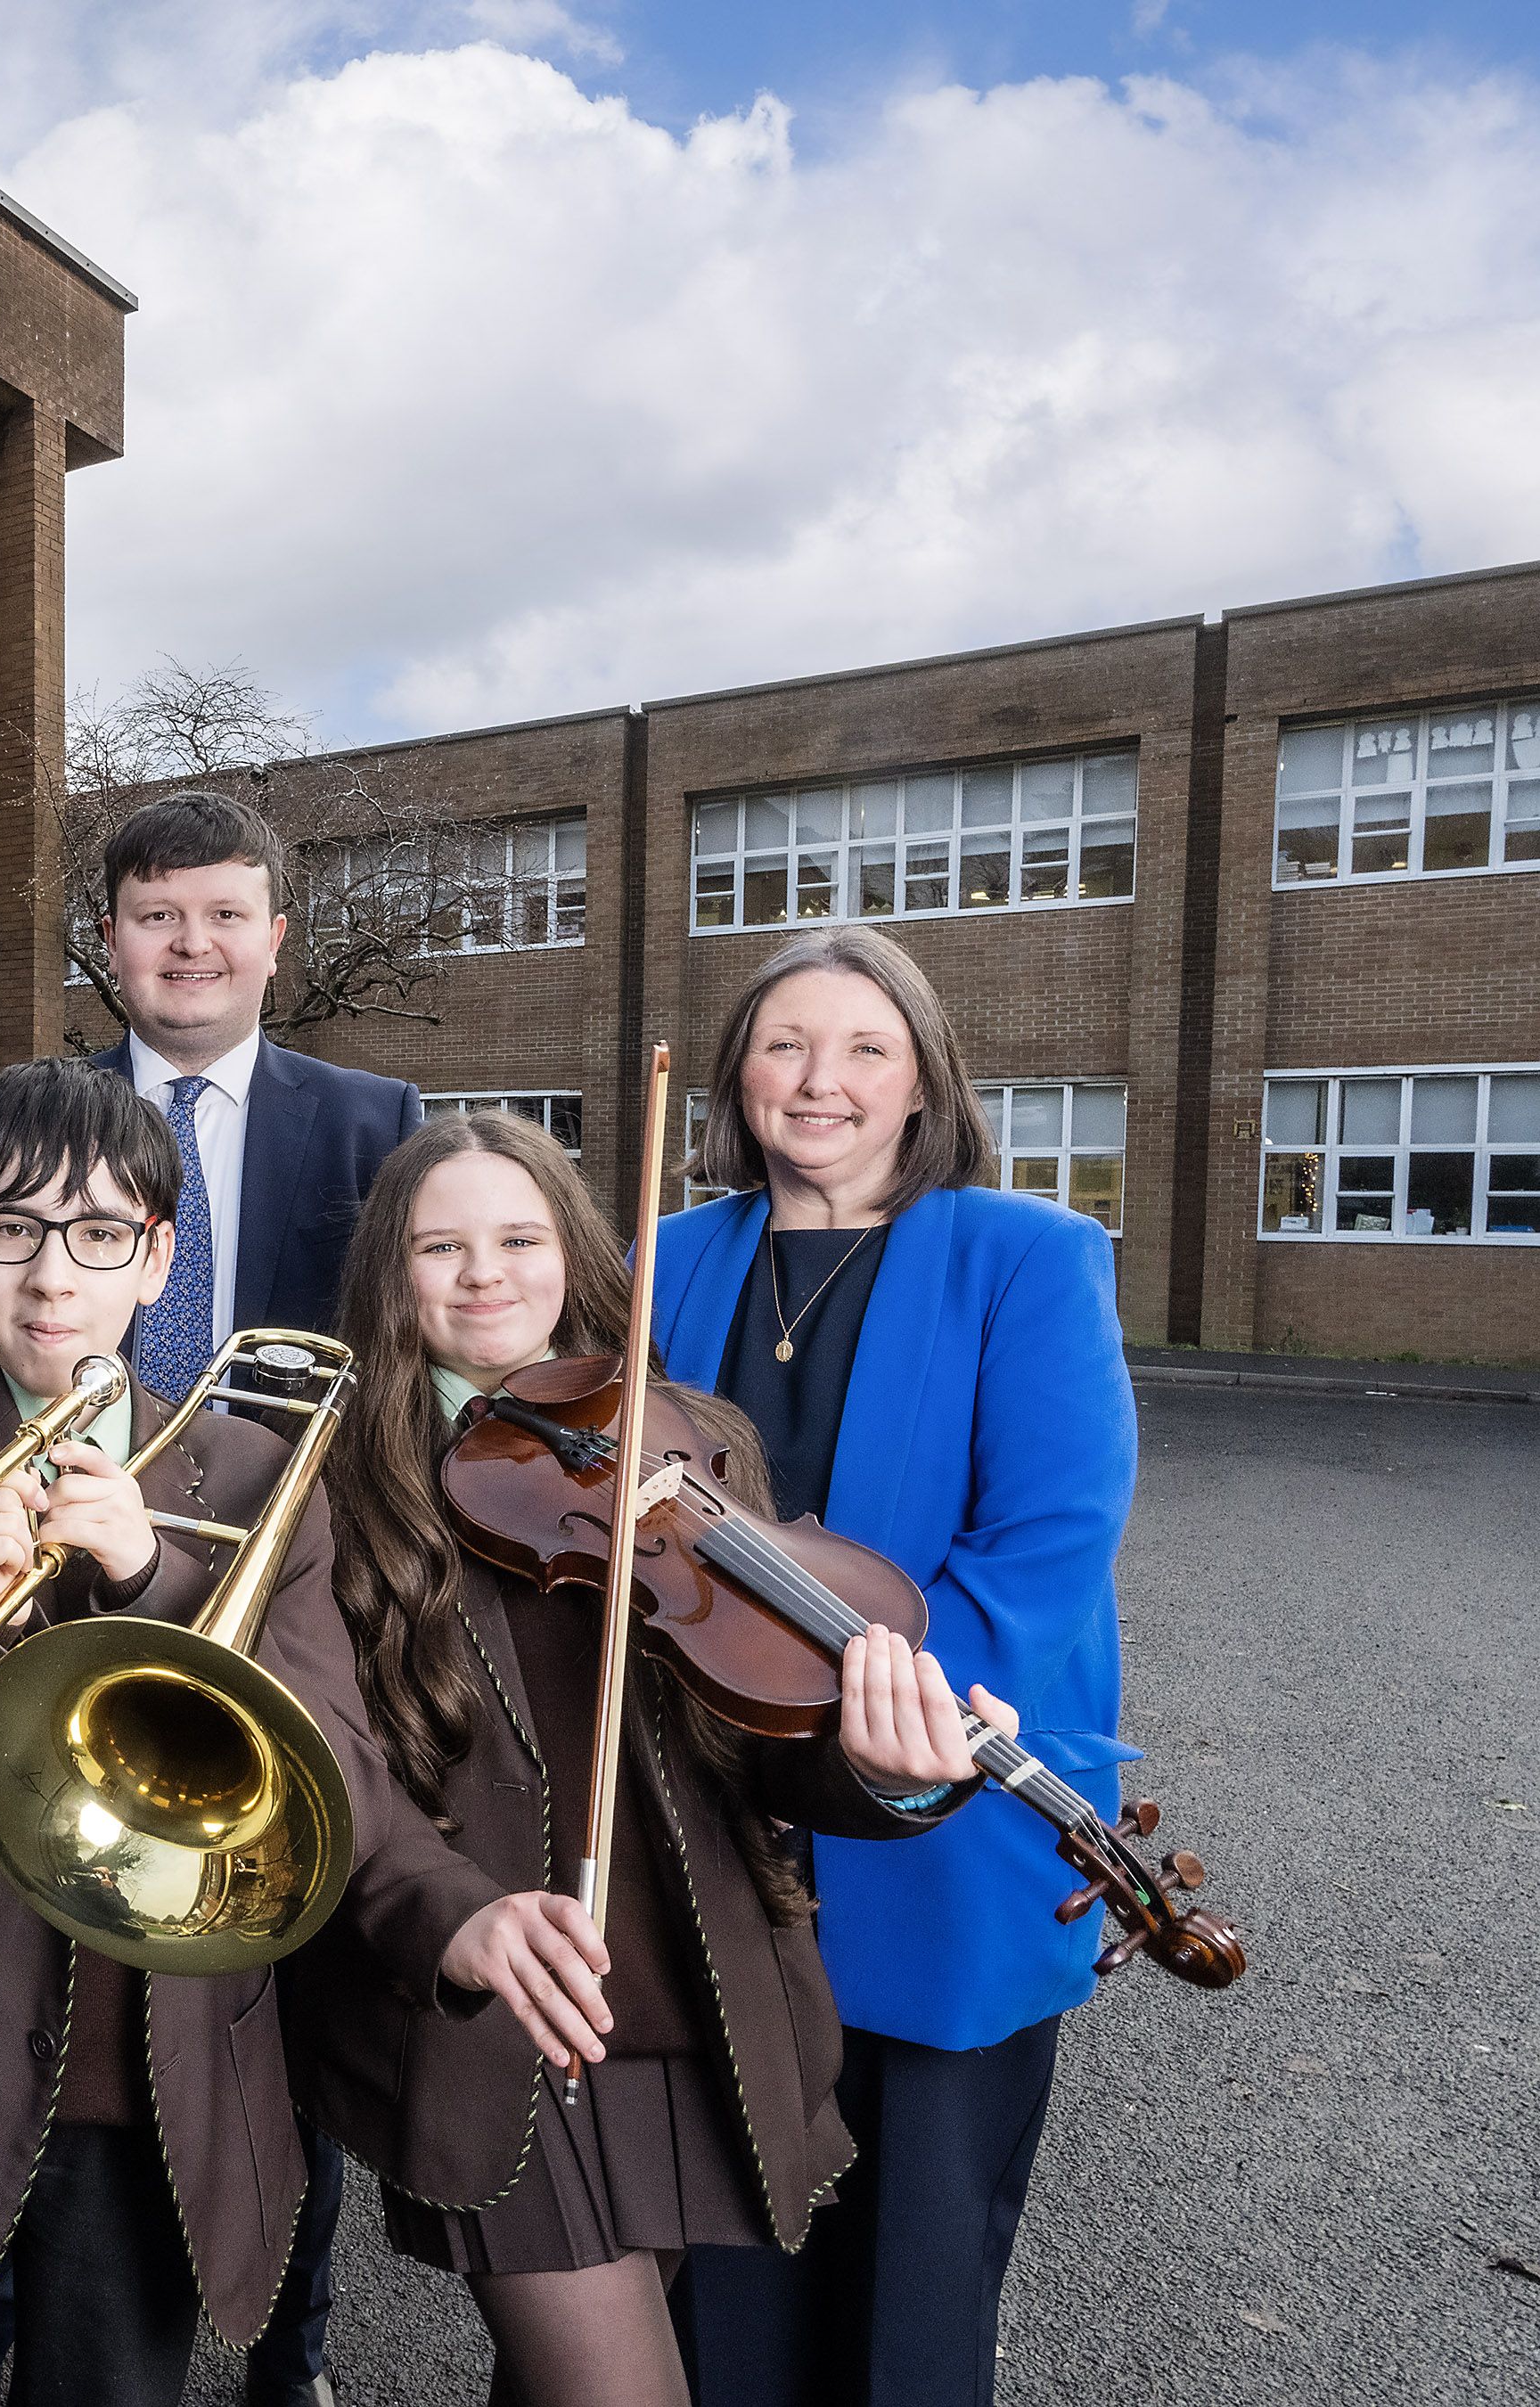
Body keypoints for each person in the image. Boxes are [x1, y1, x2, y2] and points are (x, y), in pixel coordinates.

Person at [0, 1059, 493, 2407]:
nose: (49, 1275)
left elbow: (341, 1794)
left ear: (158, 1258)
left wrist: (154, 1583)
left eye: (97, 1234)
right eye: (8, 1227)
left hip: (147, 2102)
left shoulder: (256, 1475)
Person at [287, 1106, 1010, 2407]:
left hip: (682, 1988)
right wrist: (452, 1920)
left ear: (572, 1248)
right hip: (503, 2003)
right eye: (438, 1246)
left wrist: (887, 1763)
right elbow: (333, 1768)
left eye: (517, 1235)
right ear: (388, 1275)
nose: (484, 1272)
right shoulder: (334, 1479)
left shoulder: (685, 1440)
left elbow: (760, 1745)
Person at [0, 788, 419, 2407]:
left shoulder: (373, 1112)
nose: (187, 944)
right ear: (108, 939)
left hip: (275, 1573)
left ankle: (287, 2341)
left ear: (274, 934)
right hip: (54, 1550)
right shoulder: (31, 1109)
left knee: (275, 1965)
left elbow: (399, 1363)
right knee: (42, 1939)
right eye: (151, 915)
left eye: (219, 914)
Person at [651, 926, 1140, 2407]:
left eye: (865, 1047)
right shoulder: (664, 1256)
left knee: (907, 2283)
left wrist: (889, 1727)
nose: (822, 1080)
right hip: (707, 1809)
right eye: (786, 1043)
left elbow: (1047, 1534)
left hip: (934, 1805)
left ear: (923, 1079)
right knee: (717, 2256)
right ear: (736, 1075)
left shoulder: (1029, 1253)